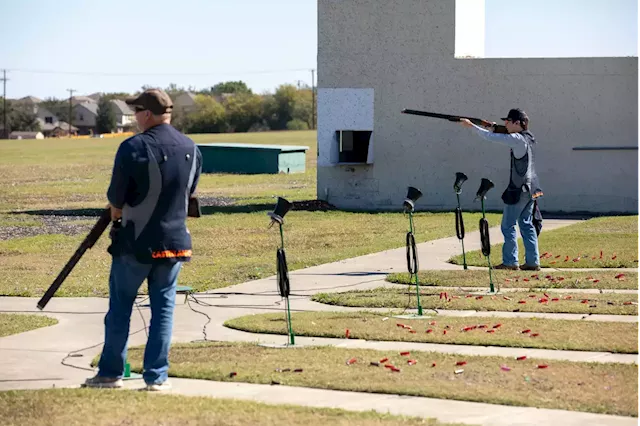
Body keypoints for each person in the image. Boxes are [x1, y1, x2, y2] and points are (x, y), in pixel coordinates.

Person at [83, 88, 202, 391]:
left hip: (135, 242)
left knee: (120, 309)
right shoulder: (191, 147)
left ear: (147, 114)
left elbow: (116, 201)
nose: (134, 117)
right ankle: (157, 377)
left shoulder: (132, 147)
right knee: (163, 311)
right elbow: (189, 194)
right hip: (175, 243)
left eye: (136, 112)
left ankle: (110, 373)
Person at [460, 108, 543, 271]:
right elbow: (500, 132)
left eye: (508, 121)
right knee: (526, 225)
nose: (505, 123)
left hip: (519, 189)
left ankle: (511, 262)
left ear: (517, 123)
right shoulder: (529, 137)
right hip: (532, 187)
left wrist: (473, 126)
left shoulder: (517, 138)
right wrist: (492, 126)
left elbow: (492, 137)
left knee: (508, 226)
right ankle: (533, 262)